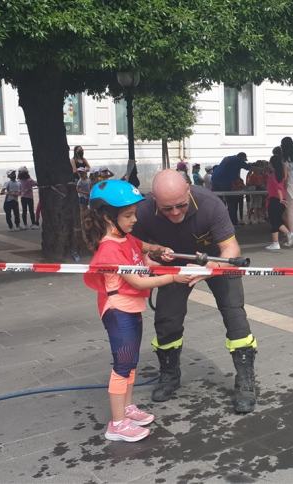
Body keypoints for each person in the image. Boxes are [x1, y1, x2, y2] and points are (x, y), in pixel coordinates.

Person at [129, 170, 259, 412]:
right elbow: (135, 250)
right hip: (174, 267)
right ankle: (169, 374)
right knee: (167, 320)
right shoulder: (144, 212)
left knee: (235, 315)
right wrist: (151, 259)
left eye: (181, 205)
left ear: (188, 190)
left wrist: (210, 268)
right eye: (168, 209)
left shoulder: (211, 205)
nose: (176, 213)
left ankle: (245, 380)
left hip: (216, 262)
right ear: (154, 200)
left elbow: (231, 248)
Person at [82, 179, 198, 442]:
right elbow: (138, 280)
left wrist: (159, 254)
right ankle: (117, 423)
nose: (134, 219)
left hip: (131, 308)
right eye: (128, 215)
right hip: (118, 311)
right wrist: (173, 277)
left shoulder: (126, 239)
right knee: (122, 365)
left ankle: (126, 407)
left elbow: (142, 257)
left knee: (131, 362)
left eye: (134, 213)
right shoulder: (109, 248)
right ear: (107, 217)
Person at [211, 152, 251, 225]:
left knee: (217, 203)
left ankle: (217, 222)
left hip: (214, 180)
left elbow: (234, 174)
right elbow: (249, 168)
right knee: (232, 202)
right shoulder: (238, 160)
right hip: (224, 182)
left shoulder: (228, 158)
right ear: (242, 158)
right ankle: (233, 222)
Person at [265, 154, 291, 250]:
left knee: (274, 221)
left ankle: (289, 234)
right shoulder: (281, 175)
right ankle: (276, 243)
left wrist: (281, 199)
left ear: (272, 164)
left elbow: (278, 188)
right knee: (277, 221)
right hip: (280, 200)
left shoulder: (273, 176)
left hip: (275, 200)